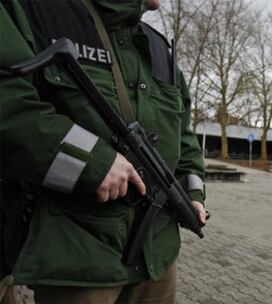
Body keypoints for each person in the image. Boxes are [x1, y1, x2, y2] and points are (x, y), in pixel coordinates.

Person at [0, 0, 207, 303]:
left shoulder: (158, 48)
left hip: (157, 258)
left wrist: (192, 195)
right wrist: (91, 162)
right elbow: (10, 106)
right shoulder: (35, 10)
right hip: (79, 257)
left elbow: (184, 136)